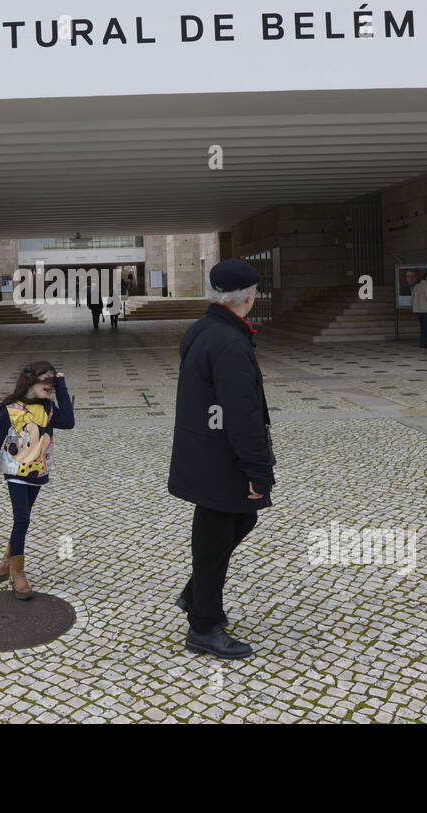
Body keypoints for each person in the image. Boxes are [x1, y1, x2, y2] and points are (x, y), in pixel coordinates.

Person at [168, 258, 275, 660]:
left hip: (206, 451)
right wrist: (257, 470)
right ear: (248, 296)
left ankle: (197, 595)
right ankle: (204, 626)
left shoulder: (206, 329)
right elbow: (241, 412)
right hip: (221, 457)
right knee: (214, 542)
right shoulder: (228, 341)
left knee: (240, 520)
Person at [0, 362, 75, 600]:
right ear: (31, 381)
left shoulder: (49, 409)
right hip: (15, 471)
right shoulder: (11, 410)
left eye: (52, 382)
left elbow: (70, 422)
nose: (49, 386)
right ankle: (17, 573)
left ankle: (5, 562)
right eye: (47, 381)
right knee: (22, 519)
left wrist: (61, 384)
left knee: (23, 520)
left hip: (38, 471)